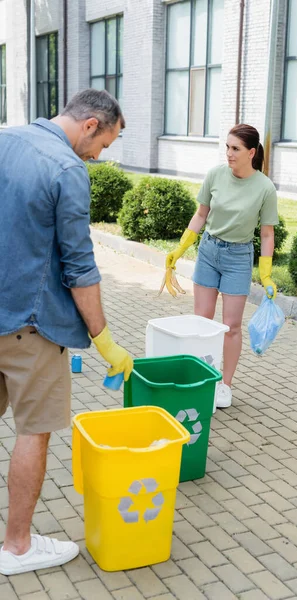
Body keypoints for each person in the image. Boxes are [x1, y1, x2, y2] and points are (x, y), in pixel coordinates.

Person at [0, 89, 133, 575]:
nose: (100, 157)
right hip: (31, 326)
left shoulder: (4, 141)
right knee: (34, 431)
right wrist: (104, 339)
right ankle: (17, 547)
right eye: (105, 144)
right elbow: (80, 267)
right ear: (92, 124)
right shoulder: (67, 169)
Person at [165, 124, 278, 408]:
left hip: (238, 258)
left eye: (235, 149)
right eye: (227, 147)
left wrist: (265, 273)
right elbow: (201, 215)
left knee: (231, 326)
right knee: (201, 321)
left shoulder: (264, 188)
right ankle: (200, 379)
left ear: (251, 152)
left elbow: (266, 233)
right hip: (209, 251)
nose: (228, 153)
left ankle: (224, 385)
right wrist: (180, 249)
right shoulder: (215, 175)